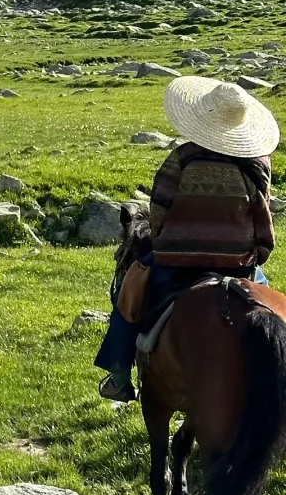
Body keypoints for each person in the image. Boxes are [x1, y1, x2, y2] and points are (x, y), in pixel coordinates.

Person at [96, 77, 278, 402]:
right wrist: (257, 250)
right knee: (270, 309)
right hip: (238, 262)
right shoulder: (258, 164)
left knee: (130, 291)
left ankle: (120, 375)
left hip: (177, 259)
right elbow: (262, 216)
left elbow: (159, 211)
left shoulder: (182, 158)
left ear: (204, 115)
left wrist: (169, 238)